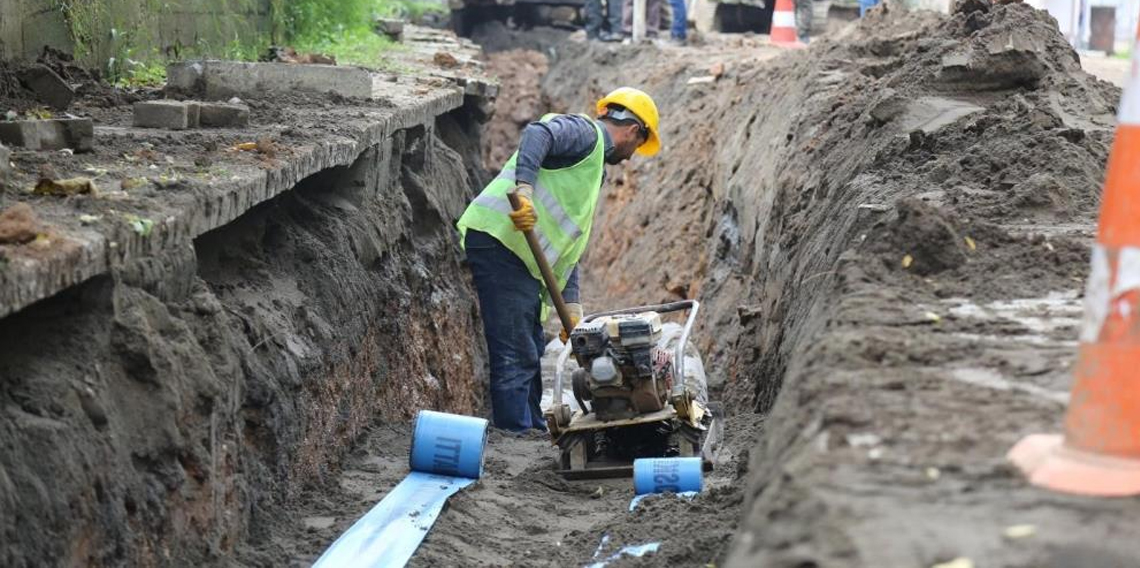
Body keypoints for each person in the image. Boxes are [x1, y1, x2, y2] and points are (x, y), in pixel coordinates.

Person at [456, 88, 661, 432]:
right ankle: (515, 435)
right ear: (633, 131)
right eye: (638, 146)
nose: (631, 156)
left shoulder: (593, 169)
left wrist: (572, 305)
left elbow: (568, 245)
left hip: (519, 257)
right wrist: (524, 191)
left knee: (531, 348)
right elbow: (539, 133)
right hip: (501, 242)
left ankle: (532, 429)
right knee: (515, 352)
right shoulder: (586, 134)